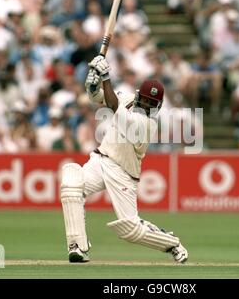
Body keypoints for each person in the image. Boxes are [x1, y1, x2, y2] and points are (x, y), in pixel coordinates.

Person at [59, 55, 188, 263]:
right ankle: (78, 246)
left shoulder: (147, 125)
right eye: (145, 100)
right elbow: (100, 97)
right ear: (139, 95)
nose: (146, 105)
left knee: (130, 229)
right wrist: (93, 85)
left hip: (123, 173)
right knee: (72, 183)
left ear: (158, 106)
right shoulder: (127, 98)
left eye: (151, 103)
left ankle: (171, 242)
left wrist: (106, 75)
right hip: (100, 160)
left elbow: (112, 105)